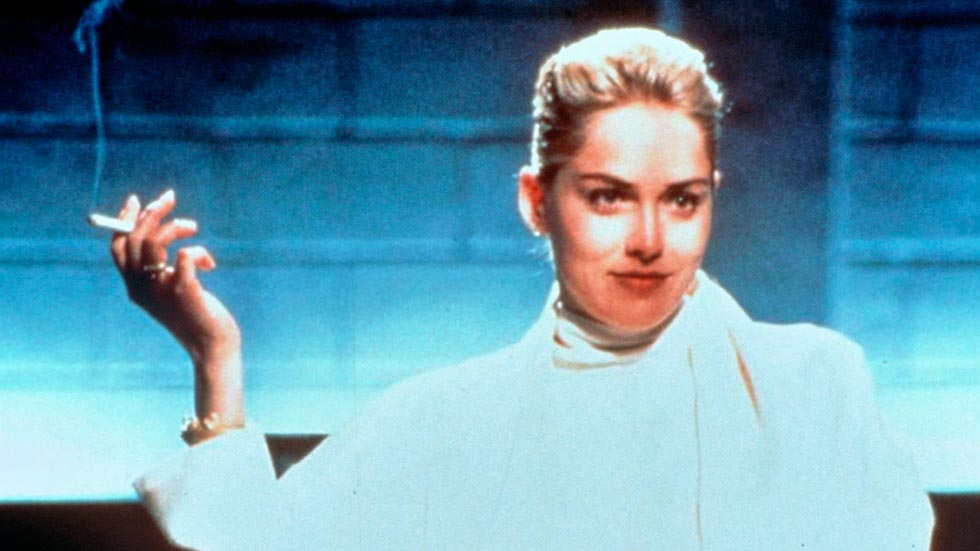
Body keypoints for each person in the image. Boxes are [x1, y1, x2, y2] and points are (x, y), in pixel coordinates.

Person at [110, 27, 934, 550]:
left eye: (683, 200)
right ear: (537, 201)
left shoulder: (815, 385)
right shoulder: (439, 423)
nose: (650, 240)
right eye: (608, 197)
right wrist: (214, 354)